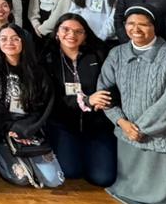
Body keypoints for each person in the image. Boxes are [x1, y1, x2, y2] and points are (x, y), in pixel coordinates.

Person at [93, 6, 166, 204]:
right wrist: (122, 122)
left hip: (162, 132)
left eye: (143, 24)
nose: (136, 29)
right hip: (127, 130)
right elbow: (104, 93)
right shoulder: (116, 54)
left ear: (155, 27)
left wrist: (141, 128)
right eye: (130, 24)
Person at [0, 24, 62, 188]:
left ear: (23, 41)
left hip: (30, 127)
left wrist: (27, 128)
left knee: (53, 180)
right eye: (4, 39)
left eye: (15, 38)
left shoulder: (37, 69)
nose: (9, 42)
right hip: (1, 129)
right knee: (22, 178)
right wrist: (8, 127)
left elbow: (44, 105)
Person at [42, 14, 115, 187]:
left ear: (85, 36)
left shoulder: (98, 55)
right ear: (57, 33)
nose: (71, 35)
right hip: (64, 123)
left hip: (97, 124)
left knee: (102, 178)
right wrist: (87, 101)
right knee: (71, 171)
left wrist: (101, 100)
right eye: (65, 29)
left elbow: (112, 87)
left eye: (78, 31)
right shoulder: (47, 58)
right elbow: (52, 98)